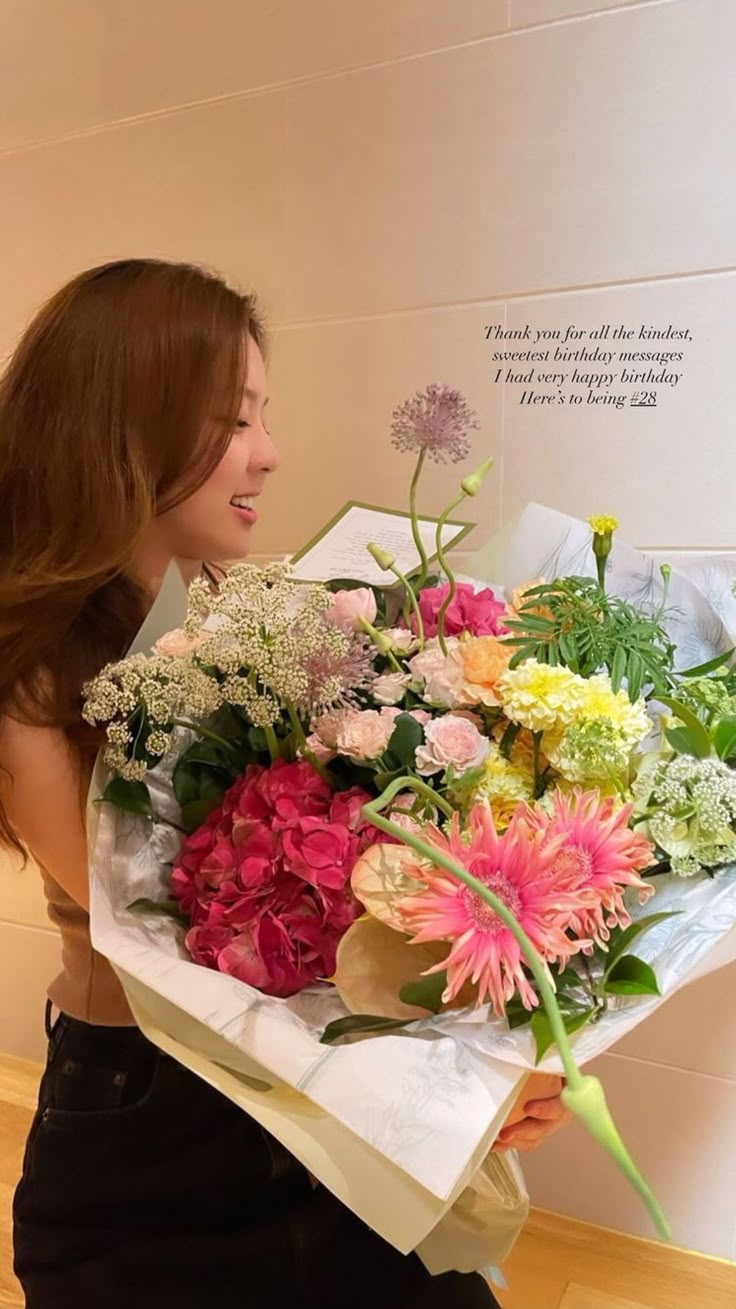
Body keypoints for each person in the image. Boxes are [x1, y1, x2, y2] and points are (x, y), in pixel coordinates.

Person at [0, 258, 570, 1308]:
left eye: (263, 415)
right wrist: (452, 1079)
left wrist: (493, 1038)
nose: (269, 453)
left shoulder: (246, 620)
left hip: (317, 1092)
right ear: (122, 429)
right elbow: (189, 949)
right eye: (233, 419)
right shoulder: (33, 678)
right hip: (152, 1129)